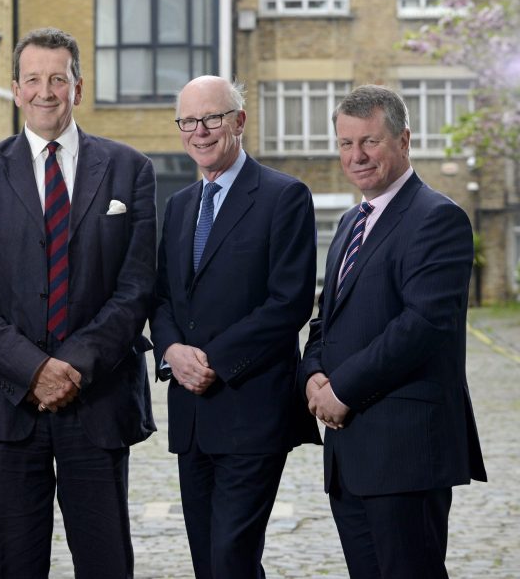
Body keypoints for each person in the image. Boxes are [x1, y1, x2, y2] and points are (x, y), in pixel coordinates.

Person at [0, 27, 156, 578]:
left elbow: (136, 288)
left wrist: (73, 367)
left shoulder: (131, 170)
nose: (45, 91)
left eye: (57, 79)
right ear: (15, 89)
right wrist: (34, 370)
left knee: (106, 564)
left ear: (77, 88)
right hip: (8, 405)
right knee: (15, 565)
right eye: (33, 79)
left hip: (98, 399)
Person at [299, 84, 487, 578]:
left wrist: (343, 388)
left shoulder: (438, 218)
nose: (356, 156)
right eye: (345, 143)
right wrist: (313, 374)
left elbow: (423, 325)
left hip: (406, 452)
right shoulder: (348, 223)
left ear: (404, 140)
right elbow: (327, 317)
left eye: (370, 142)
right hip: (351, 454)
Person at [150, 76, 320, 578]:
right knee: (210, 562)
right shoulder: (180, 205)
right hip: (192, 416)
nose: (199, 131)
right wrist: (171, 351)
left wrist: (215, 363)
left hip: (252, 412)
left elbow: (288, 304)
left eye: (212, 118)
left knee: (231, 559)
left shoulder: (284, 196)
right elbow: (163, 297)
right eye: (188, 121)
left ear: (239, 121)